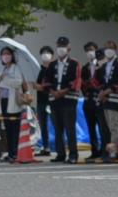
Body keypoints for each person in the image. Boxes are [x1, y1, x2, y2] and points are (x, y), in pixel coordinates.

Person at [42, 36, 83, 165]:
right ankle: (60, 154)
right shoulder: (52, 64)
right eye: (59, 46)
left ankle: (73, 154)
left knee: (70, 128)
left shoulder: (74, 63)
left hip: (69, 99)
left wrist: (63, 91)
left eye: (64, 46)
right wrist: (53, 92)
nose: (61, 49)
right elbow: (46, 81)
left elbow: (76, 80)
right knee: (57, 128)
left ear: (69, 48)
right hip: (54, 99)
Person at [0, 47, 29, 161]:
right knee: (8, 128)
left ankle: (15, 153)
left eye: (8, 54)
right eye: (3, 54)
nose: (5, 56)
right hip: (4, 101)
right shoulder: (4, 69)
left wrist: (5, 80)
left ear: (12, 55)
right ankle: (10, 152)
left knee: (14, 127)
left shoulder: (16, 68)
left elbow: (18, 82)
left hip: (13, 101)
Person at [96, 42, 118, 158]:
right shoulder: (105, 65)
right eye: (106, 48)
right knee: (111, 127)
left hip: (117, 99)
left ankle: (116, 151)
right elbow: (101, 82)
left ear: (115, 49)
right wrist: (102, 93)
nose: (108, 50)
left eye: (111, 48)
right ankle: (115, 149)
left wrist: (105, 93)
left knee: (115, 126)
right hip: (107, 100)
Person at [32, 46, 57, 155]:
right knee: (43, 125)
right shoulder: (38, 69)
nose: (45, 54)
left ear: (52, 55)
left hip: (53, 101)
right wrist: (40, 86)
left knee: (57, 124)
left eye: (48, 52)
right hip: (41, 101)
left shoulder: (55, 68)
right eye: (43, 53)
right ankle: (46, 147)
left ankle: (59, 146)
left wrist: (44, 87)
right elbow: (35, 84)